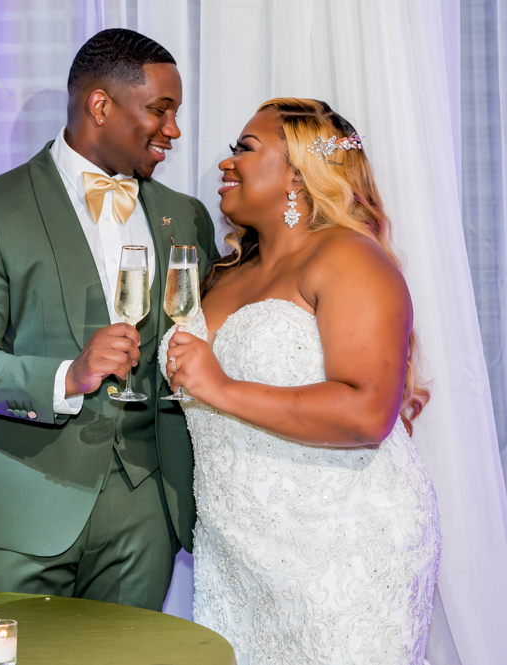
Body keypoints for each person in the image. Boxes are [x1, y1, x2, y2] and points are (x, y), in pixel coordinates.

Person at [0, 28, 218, 610]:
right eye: (160, 110)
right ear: (101, 105)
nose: (174, 130)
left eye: (177, 113)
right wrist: (68, 376)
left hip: (147, 513)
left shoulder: (185, 217)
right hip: (22, 511)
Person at [160, 99, 441, 663]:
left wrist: (221, 389)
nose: (226, 163)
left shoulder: (348, 258)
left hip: (342, 548)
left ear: (297, 172)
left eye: (245, 148)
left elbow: (366, 413)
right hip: (239, 555)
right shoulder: (226, 272)